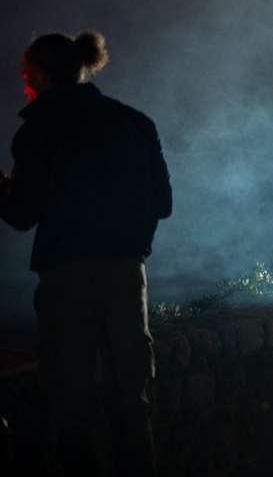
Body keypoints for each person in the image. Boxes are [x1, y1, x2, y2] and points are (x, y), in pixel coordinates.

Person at [0, 31, 172, 476]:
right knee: (131, 402)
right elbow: (163, 203)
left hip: (67, 280)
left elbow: (22, 214)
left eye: (26, 76)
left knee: (71, 402)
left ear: (41, 75)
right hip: (127, 275)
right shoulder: (135, 123)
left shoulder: (38, 131)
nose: (24, 85)